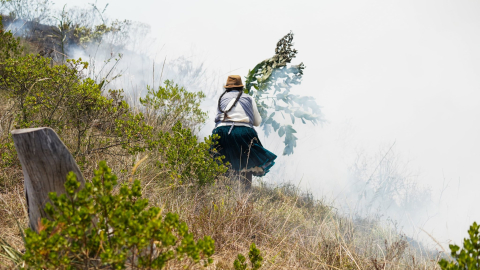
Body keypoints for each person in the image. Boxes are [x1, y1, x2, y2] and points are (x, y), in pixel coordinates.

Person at [212, 75, 277, 189]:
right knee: (248, 161)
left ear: (227, 88)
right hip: (244, 133)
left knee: (219, 160)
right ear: (241, 87)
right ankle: (245, 195)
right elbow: (257, 122)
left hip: (221, 132)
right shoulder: (249, 98)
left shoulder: (221, 99)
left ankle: (222, 191)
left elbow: (217, 119)